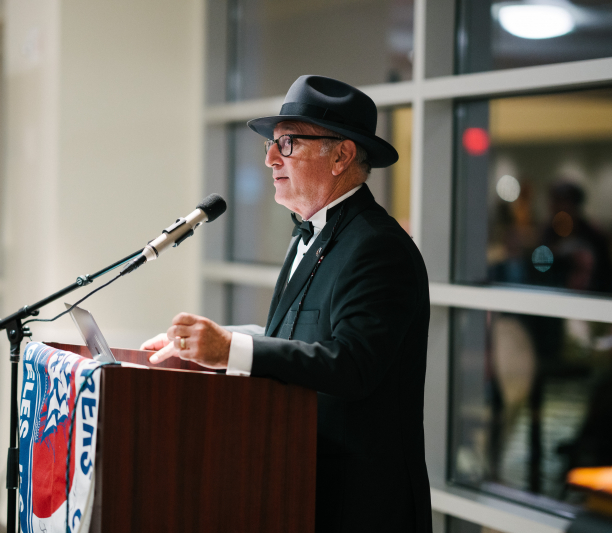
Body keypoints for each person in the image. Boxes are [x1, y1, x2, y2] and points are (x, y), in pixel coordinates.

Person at [142, 75, 432, 532]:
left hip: (361, 505)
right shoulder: (312, 233)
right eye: (272, 144)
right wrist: (205, 348)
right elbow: (300, 339)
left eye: (288, 143)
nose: (270, 158)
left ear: (341, 156)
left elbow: (351, 364)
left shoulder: (378, 246)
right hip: (301, 488)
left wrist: (231, 349)